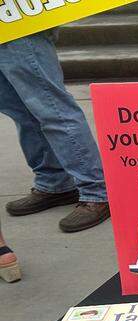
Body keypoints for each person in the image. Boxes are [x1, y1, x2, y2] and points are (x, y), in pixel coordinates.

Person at [0, 32, 110, 232]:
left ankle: (97, 192)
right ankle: (54, 183)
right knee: (20, 110)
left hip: (16, 21)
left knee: (52, 107)